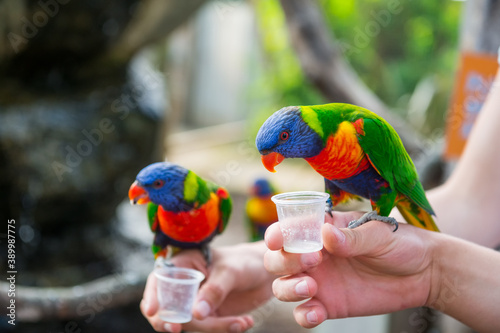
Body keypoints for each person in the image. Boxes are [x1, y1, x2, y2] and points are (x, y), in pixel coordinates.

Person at [141, 66, 500, 332]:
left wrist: (397, 232)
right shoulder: (318, 152)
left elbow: (402, 186)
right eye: (271, 151)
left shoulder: (360, 129)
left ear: (302, 128)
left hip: (393, 193)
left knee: (383, 208)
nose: (276, 157)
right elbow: (473, 202)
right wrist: (258, 260)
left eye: (283, 139)